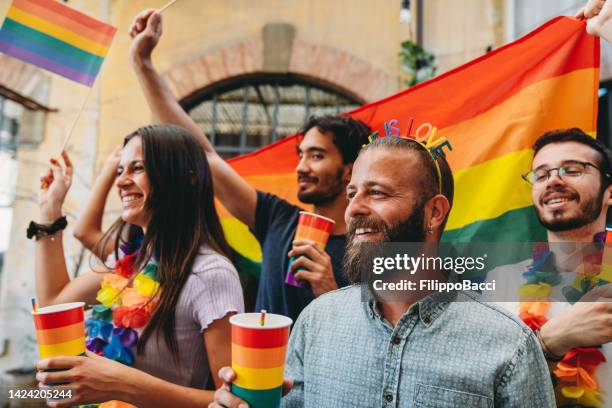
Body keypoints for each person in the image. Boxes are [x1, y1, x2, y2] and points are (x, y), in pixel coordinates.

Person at [210, 136, 556, 407]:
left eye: (376, 192)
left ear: (434, 212)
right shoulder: (316, 320)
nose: (354, 209)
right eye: (352, 193)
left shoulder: (508, 344)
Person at [128, 9, 371, 320]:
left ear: (350, 170)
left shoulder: (370, 248)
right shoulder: (277, 220)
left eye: (317, 156)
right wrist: (142, 64)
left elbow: (377, 344)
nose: (301, 167)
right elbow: (202, 154)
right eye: (301, 155)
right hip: (258, 369)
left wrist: (328, 288)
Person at [33, 125, 244, 406]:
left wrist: (122, 384)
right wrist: (50, 211)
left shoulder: (211, 274)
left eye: (138, 168)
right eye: (120, 170)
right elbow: (53, 304)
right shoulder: (128, 262)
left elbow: (234, 402)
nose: (120, 182)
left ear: (187, 178)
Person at [487, 129, 612, 407]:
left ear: (609, 192)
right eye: (541, 175)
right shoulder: (501, 281)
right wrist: (547, 343)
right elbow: (481, 385)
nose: (553, 180)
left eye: (572, 169)